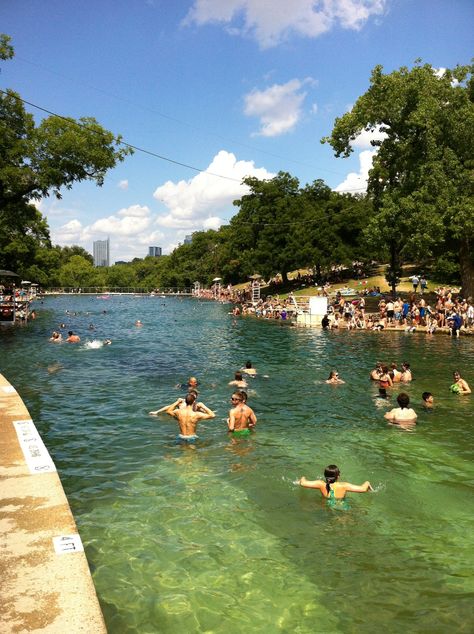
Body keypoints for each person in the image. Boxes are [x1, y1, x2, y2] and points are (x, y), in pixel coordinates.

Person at [298, 464, 373, 504]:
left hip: (326, 506)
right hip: (342, 507)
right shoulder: (344, 485)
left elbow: (303, 483)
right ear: (338, 476)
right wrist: (367, 482)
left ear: (325, 475)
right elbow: (363, 489)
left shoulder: (320, 484)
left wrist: (303, 477)